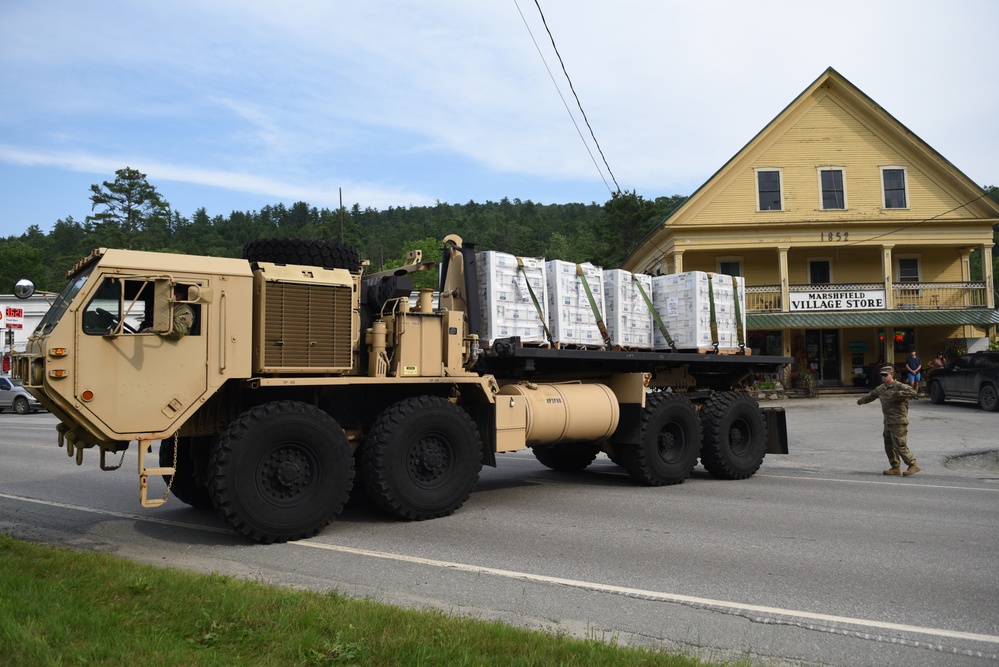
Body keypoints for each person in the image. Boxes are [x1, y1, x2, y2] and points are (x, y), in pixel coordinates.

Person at [857, 365, 920, 476]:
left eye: (885, 375)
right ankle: (895, 467)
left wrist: (899, 394)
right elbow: (871, 395)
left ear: (892, 375)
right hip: (888, 421)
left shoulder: (899, 386)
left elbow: (913, 392)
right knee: (889, 445)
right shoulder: (881, 388)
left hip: (899, 421)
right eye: (881, 375)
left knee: (900, 444)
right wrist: (861, 401)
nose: (883, 377)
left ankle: (913, 464)